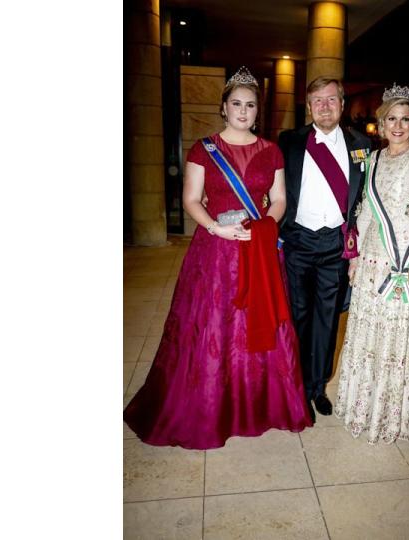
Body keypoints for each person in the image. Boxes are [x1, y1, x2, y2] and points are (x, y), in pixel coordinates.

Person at [123, 67, 312, 450]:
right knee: (212, 328)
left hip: (257, 249)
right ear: (224, 108)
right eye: (236, 104)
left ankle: (261, 405)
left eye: (251, 105)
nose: (243, 111)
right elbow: (191, 199)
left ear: (258, 111)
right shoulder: (203, 149)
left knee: (261, 322)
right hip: (215, 250)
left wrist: (264, 227)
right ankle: (210, 407)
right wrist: (215, 228)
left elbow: (279, 201)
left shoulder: (270, 150)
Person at [335, 83, 409, 444]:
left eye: (405, 119)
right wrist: (353, 259)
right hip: (372, 262)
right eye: (391, 119)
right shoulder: (374, 159)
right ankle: (364, 408)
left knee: (400, 337)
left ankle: (395, 417)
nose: (397, 126)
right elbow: (367, 210)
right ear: (381, 124)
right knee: (371, 333)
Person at [279, 77, 372, 422]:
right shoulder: (289, 141)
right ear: (308, 106)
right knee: (298, 317)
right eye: (317, 100)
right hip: (298, 241)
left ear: (343, 103)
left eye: (331, 99)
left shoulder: (362, 144)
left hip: (335, 244)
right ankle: (297, 387)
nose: (324, 106)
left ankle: (318, 387)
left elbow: (366, 198)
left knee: (327, 319)